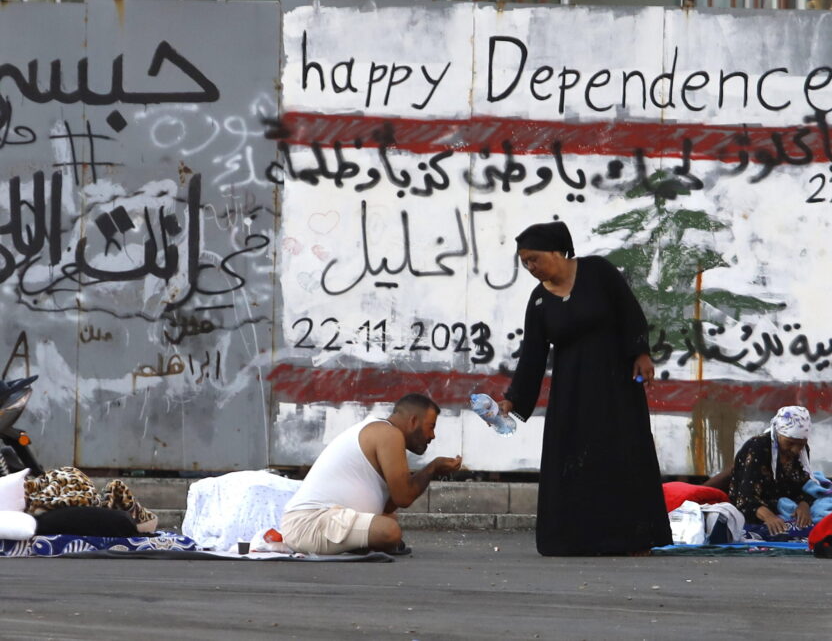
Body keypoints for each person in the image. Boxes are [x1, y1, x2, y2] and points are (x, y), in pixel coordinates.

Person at [498, 220, 672, 555]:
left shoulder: (597, 272)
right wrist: (512, 400)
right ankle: (572, 541)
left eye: (534, 259)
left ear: (556, 251)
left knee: (623, 454)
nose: (531, 267)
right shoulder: (538, 301)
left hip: (615, 385)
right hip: (571, 394)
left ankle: (634, 540)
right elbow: (532, 355)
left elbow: (629, 311)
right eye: (525, 263)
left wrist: (640, 353)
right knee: (572, 460)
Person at [280, 393, 462, 555]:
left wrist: (431, 470)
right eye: (431, 426)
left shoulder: (381, 431)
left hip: (311, 524)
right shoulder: (389, 434)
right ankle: (364, 545)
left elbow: (389, 505)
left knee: (389, 518)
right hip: (308, 524)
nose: (432, 435)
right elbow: (404, 498)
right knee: (389, 531)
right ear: (413, 421)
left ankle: (360, 545)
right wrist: (432, 468)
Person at [729, 405, 816, 536]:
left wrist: (804, 506)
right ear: (777, 434)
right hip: (758, 510)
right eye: (790, 443)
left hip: (784, 507)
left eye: (801, 444)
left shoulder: (802, 451)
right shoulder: (757, 448)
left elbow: (804, 486)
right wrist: (769, 517)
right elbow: (745, 498)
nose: (796, 450)